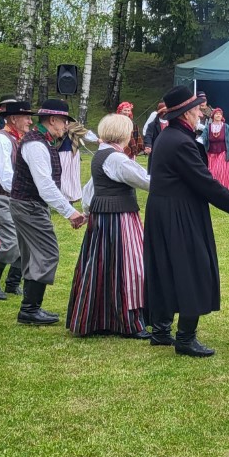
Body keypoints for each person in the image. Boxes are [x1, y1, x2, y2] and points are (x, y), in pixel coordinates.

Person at [144, 86, 229, 356]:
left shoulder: (168, 137)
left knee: (166, 267)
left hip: (163, 210)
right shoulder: (180, 142)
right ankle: (185, 338)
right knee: (192, 267)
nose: (200, 114)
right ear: (185, 114)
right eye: (196, 110)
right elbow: (205, 183)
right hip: (178, 212)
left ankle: (160, 330)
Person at [64, 114, 152, 339]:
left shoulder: (102, 154)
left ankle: (102, 318)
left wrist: (86, 211)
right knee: (129, 267)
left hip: (102, 219)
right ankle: (128, 322)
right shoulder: (116, 158)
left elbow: (90, 188)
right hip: (119, 219)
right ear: (123, 133)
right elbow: (146, 181)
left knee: (103, 267)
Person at [10, 99, 88, 326]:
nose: (66, 126)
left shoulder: (42, 141)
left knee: (34, 254)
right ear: (53, 120)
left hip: (28, 204)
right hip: (28, 205)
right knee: (47, 253)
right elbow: (45, 186)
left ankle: (29, 308)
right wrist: (69, 212)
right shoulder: (36, 144)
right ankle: (30, 309)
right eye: (64, 121)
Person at [0, 101, 34, 301]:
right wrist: (21, 193)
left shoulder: (17, 138)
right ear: (13, 119)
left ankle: (12, 282)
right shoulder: (2, 140)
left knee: (24, 239)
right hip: (3, 196)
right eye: (26, 118)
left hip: (15, 196)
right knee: (11, 241)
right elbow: (5, 175)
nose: (30, 121)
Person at [201, 107, 229, 195]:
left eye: (220, 114)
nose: (218, 115)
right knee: (212, 172)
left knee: (222, 172)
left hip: (223, 154)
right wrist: (193, 143)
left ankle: (223, 191)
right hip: (211, 155)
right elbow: (203, 138)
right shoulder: (208, 128)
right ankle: (213, 190)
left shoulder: (226, 127)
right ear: (213, 116)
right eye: (216, 114)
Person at [57, 121, 99, 203]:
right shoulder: (56, 123)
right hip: (60, 153)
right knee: (62, 176)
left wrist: (97, 140)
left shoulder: (72, 124)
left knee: (72, 177)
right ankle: (62, 198)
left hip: (73, 154)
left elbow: (84, 133)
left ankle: (70, 199)